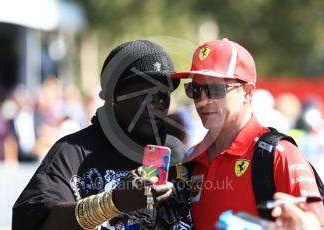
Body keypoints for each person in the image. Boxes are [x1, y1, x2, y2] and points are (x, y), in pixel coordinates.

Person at [12, 40, 191, 230]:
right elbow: (31, 221)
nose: (158, 103)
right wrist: (112, 202)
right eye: (145, 93)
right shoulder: (72, 152)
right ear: (112, 95)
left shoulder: (177, 153)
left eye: (163, 93)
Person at [171, 38, 324, 229]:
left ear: (247, 92)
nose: (203, 100)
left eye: (215, 89)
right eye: (195, 90)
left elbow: (318, 226)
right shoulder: (192, 160)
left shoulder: (279, 155)